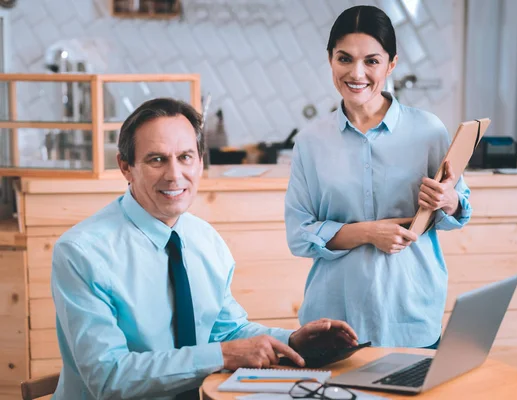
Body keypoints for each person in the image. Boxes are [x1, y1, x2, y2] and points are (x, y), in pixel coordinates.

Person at [50, 98, 358, 400]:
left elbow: (224, 331)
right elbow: (108, 378)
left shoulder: (206, 241)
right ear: (125, 167)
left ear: (200, 162)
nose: (174, 175)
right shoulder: (81, 253)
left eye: (185, 157)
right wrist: (222, 356)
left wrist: (290, 341)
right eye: (157, 159)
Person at [284, 5, 472, 349]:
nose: (357, 73)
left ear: (391, 64)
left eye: (371, 61)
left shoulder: (428, 130)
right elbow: (299, 236)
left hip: (411, 316)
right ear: (330, 59)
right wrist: (370, 233)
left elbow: (456, 212)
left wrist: (449, 200)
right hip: (334, 322)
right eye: (344, 59)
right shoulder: (310, 141)